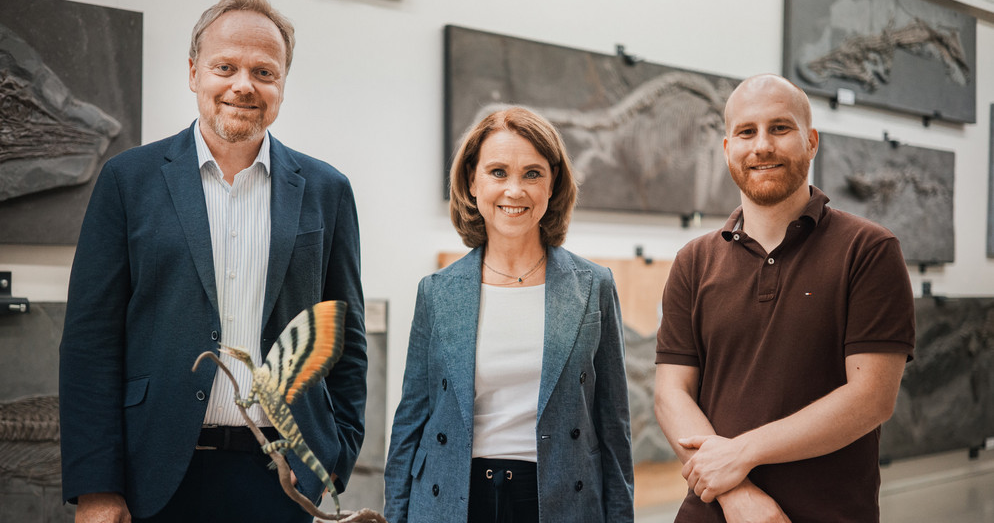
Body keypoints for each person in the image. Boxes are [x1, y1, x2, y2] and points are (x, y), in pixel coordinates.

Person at [58, 0, 366, 523]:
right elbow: (91, 344)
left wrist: (332, 459)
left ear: (282, 84)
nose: (243, 85)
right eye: (225, 67)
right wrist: (96, 487)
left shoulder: (327, 190)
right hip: (153, 475)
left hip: (283, 479)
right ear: (194, 72)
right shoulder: (127, 181)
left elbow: (345, 337)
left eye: (264, 72)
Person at [653, 74, 916, 523]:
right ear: (727, 148)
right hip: (713, 512)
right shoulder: (693, 261)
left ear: (811, 141)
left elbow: (871, 397)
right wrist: (737, 495)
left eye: (780, 128)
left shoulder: (869, 250)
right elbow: (670, 394)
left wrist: (742, 453)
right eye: (746, 132)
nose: (762, 146)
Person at [383, 106, 634, 522]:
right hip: (452, 500)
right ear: (472, 181)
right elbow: (411, 419)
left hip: (561, 500)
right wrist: (394, 516)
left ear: (552, 183)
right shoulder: (436, 292)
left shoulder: (594, 286)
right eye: (498, 172)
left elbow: (614, 425)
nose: (514, 190)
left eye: (532, 174)